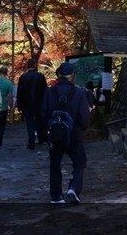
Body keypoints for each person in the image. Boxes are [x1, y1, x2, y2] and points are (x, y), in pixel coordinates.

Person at [41, 61, 91, 204]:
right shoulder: (79, 93)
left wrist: (45, 134)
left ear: (59, 75)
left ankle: (56, 196)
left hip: (55, 135)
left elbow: (43, 114)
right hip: (73, 134)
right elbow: (83, 116)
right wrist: (82, 128)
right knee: (80, 162)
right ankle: (73, 188)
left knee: (55, 164)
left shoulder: (49, 92)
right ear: (72, 76)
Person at [16, 59, 48, 149]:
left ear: (27, 66)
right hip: (39, 103)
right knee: (39, 121)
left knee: (29, 123)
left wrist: (20, 105)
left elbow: (20, 93)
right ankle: (41, 139)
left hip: (27, 103)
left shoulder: (23, 77)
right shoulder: (40, 76)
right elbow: (45, 91)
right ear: (35, 65)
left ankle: (31, 141)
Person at [0, 65, 15, 150]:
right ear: (6, 73)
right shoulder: (8, 83)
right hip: (4, 107)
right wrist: (11, 106)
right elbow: (10, 96)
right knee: (2, 126)